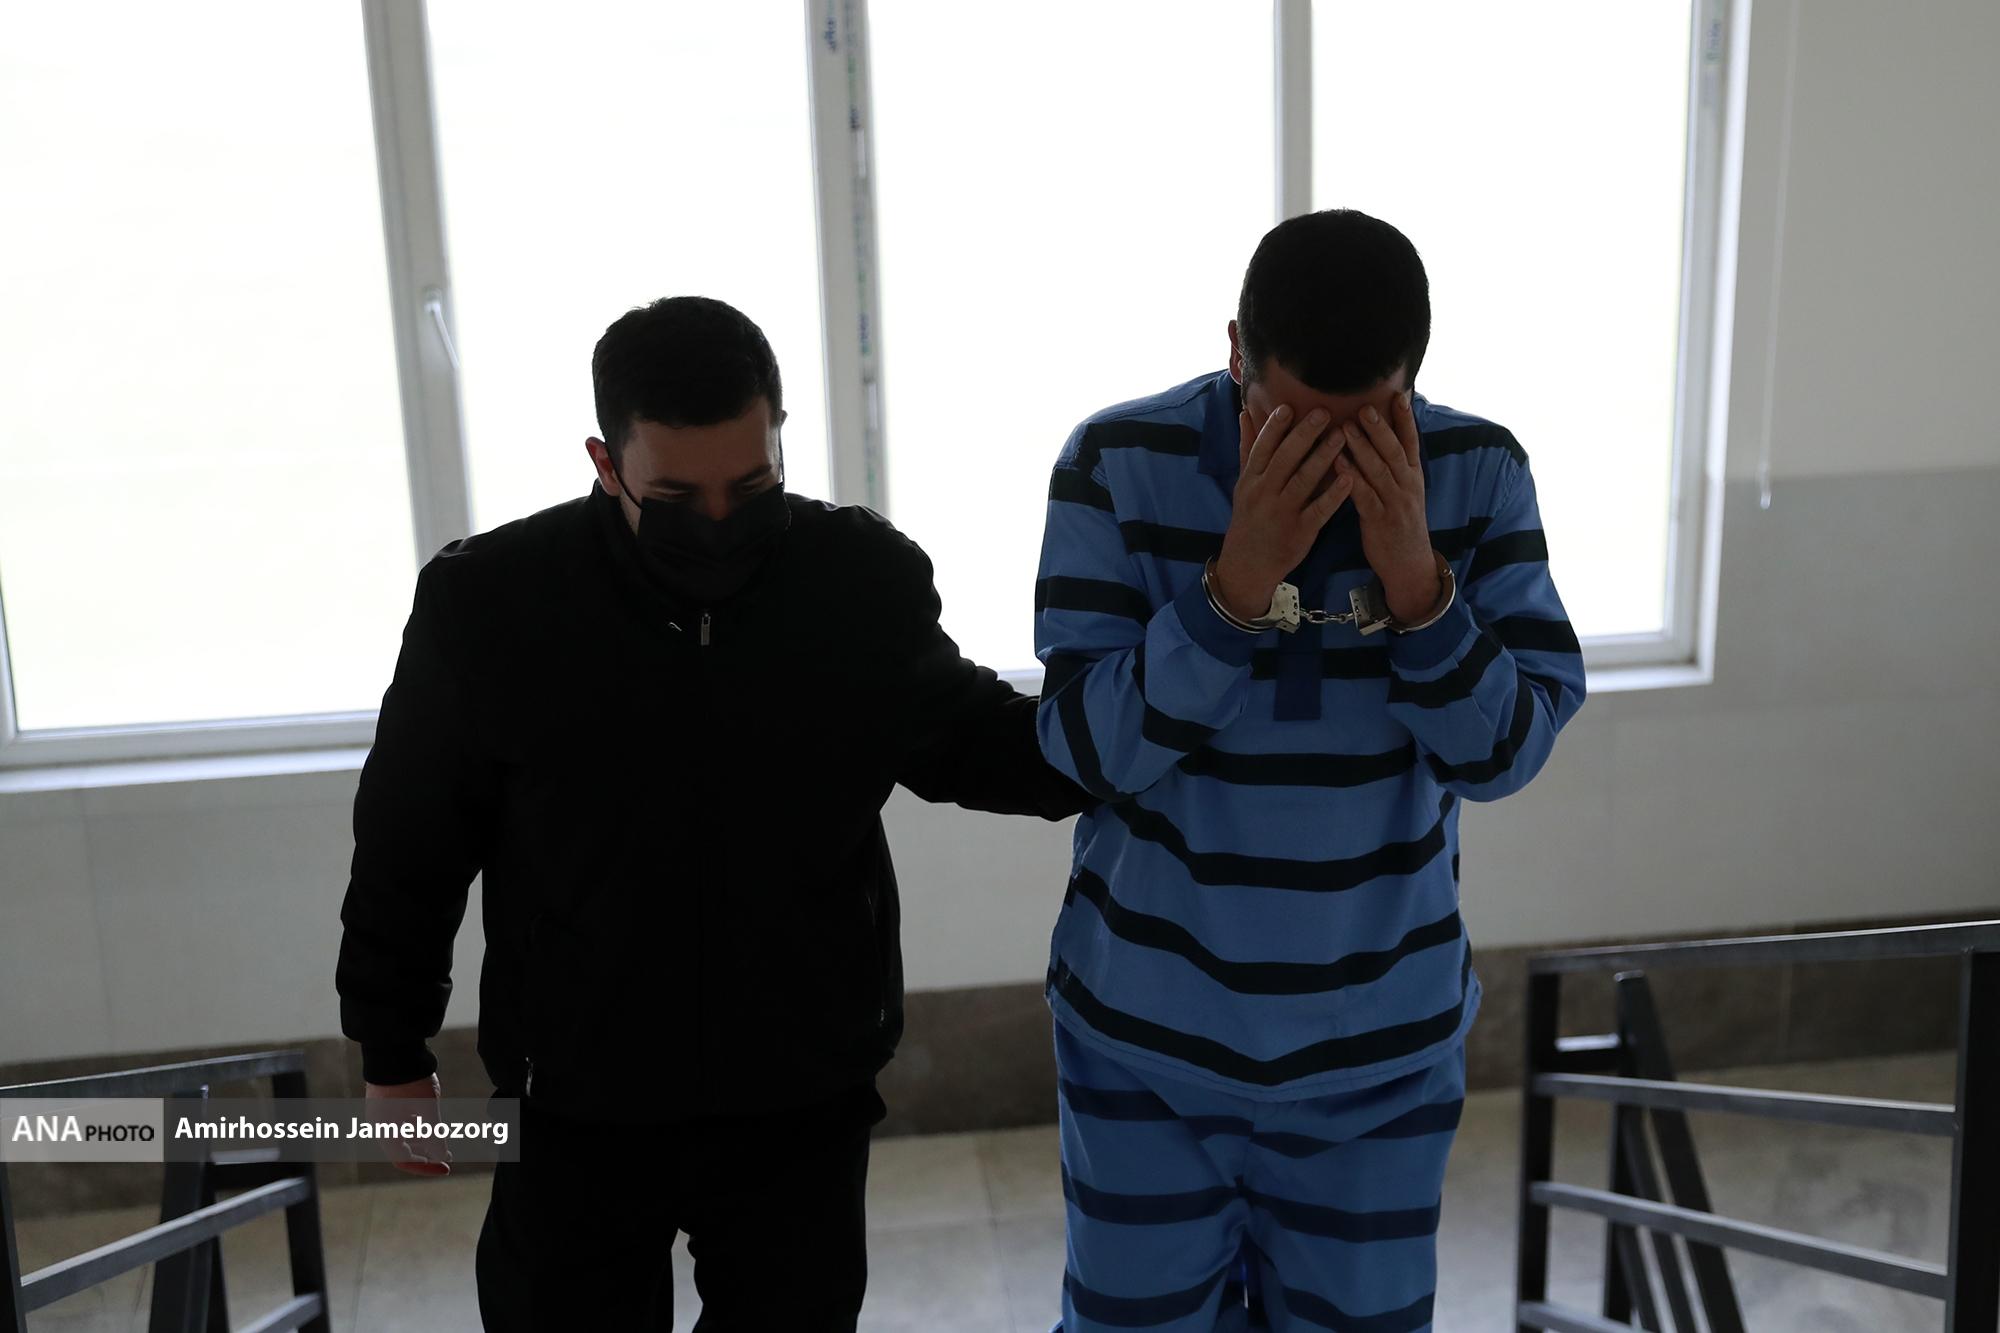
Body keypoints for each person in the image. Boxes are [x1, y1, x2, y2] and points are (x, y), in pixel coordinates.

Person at [335, 295, 1090, 1331]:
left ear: (780, 437)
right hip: (574, 1099)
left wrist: (1138, 723)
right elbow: (410, 839)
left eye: (753, 486)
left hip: (801, 1092)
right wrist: (391, 1052)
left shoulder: (855, 581)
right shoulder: (493, 604)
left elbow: (974, 742)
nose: (721, 521)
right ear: (606, 463)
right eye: (678, 497)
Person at [1032, 209, 1587, 1332]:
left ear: (1413, 380)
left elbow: (1505, 753)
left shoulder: (1478, 473)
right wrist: (1233, 586)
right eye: (1285, 422)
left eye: (1369, 425)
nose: (1328, 460)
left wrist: (1419, 587)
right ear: (1235, 350)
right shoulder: (1117, 463)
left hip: (1378, 1058)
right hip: (1145, 1044)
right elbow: (1085, 752)